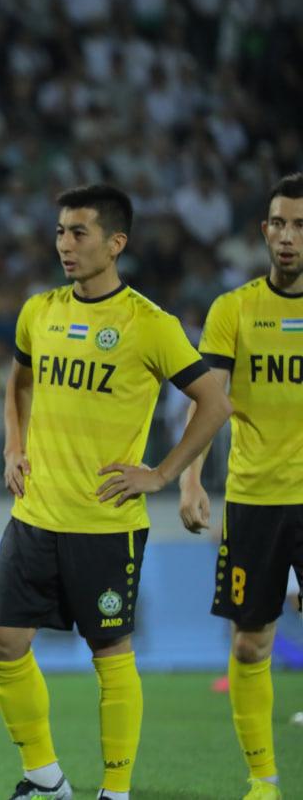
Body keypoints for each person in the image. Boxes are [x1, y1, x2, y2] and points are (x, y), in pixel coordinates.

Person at [0, 184, 232, 800]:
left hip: (105, 523)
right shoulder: (38, 310)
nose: (64, 244)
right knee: (1, 642)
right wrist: (14, 446)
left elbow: (214, 402)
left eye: (79, 232)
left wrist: (163, 473)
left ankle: (115, 791)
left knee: (110, 652)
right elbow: (17, 384)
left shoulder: (149, 325)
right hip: (35, 515)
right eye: (61, 231)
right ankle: (45, 780)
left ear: (116, 243)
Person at [178, 172, 303, 800]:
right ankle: (264, 779)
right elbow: (210, 402)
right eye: (279, 223)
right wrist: (192, 481)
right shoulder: (234, 309)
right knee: (252, 646)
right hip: (256, 500)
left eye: (300, 226)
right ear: (264, 231)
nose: (287, 237)